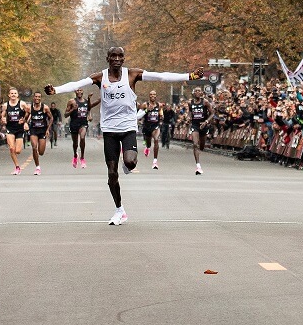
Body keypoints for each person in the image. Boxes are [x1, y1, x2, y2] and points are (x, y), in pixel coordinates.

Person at [46, 47, 200, 225]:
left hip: (128, 127)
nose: (117, 59)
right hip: (109, 129)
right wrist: (56, 90)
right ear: (108, 58)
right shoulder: (100, 77)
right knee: (112, 173)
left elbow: (160, 76)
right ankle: (119, 209)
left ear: (124, 59)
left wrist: (190, 76)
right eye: (113, 56)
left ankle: (127, 163)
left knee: (130, 162)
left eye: (120, 56)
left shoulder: (132, 75)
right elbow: (77, 84)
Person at [66, 89, 97, 168]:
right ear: (75, 92)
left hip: (83, 124)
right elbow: (65, 114)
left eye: (80, 90)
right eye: (77, 90)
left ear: (83, 92)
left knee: (82, 137)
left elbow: (88, 110)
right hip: (74, 124)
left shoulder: (86, 101)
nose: (79, 92)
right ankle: (75, 156)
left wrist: (89, 116)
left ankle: (82, 158)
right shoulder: (71, 101)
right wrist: (72, 109)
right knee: (75, 143)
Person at [187, 87, 213, 175]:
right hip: (195, 125)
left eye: (199, 91)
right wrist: (188, 117)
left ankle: (200, 150)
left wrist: (206, 122)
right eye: (196, 91)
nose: (197, 92)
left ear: (201, 93)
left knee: (201, 146)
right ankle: (198, 166)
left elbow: (212, 113)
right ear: (193, 93)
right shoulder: (190, 103)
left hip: (203, 126)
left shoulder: (205, 102)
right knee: (195, 144)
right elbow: (190, 112)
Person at [1, 87, 28, 175]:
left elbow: (29, 113)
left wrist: (25, 121)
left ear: (17, 95)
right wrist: (3, 119)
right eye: (12, 93)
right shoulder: (5, 105)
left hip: (20, 129)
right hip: (10, 128)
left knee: (18, 151)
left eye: (15, 93)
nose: (13, 95)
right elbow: (3, 115)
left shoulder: (22, 104)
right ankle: (17, 167)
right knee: (11, 148)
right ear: (9, 95)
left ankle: (16, 147)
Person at [28, 91, 51, 175]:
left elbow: (51, 118)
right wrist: (25, 123)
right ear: (33, 97)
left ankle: (37, 154)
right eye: (36, 96)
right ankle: (37, 167)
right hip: (33, 130)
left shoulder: (45, 107)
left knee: (41, 152)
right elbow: (25, 117)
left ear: (41, 98)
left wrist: (48, 129)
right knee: (34, 147)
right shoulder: (30, 107)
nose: (37, 98)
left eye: (39, 97)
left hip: (42, 130)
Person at [140, 90, 164, 170]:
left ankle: (155, 161)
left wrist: (161, 117)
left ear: (156, 96)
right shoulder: (145, 105)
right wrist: (146, 111)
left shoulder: (159, 105)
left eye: (154, 94)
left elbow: (161, 114)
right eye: (151, 94)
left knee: (156, 139)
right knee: (148, 143)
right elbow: (139, 115)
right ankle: (147, 148)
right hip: (147, 126)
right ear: (149, 96)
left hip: (155, 126)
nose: (153, 96)